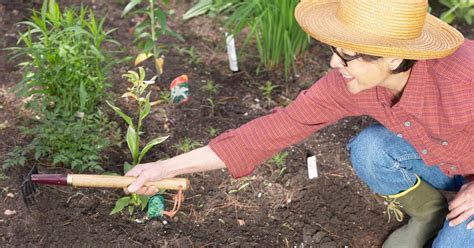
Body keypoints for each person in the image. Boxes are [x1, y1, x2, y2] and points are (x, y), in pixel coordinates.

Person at [125, 0, 473, 247]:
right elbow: (272, 131)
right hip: (450, 160)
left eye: (346, 54)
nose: (335, 63)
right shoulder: (351, 85)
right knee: (370, 149)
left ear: (394, 57)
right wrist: (163, 168)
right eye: (335, 49)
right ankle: (428, 216)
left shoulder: (463, 76)